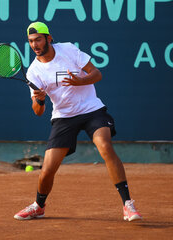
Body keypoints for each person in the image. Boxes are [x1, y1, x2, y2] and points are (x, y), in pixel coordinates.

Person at [13, 22, 142, 222]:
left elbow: (97, 73)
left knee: (105, 147)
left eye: (38, 39)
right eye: (31, 41)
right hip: (63, 117)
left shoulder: (68, 50)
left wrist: (81, 81)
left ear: (48, 38)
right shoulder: (33, 72)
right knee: (47, 170)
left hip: (91, 110)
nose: (35, 44)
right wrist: (39, 99)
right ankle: (39, 206)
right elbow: (38, 112)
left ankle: (128, 205)